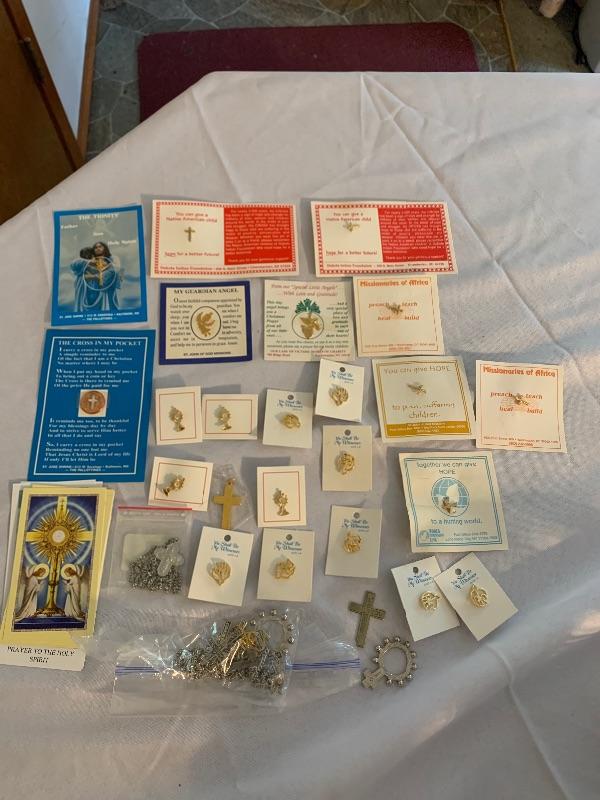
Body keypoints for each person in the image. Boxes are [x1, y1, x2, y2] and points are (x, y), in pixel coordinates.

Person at [70, 241, 123, 312]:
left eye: (100, 246)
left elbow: (116, 271)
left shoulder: (112, 259)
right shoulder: (89, 260)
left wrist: (92, 276)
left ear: (105, 248)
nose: (98, 248)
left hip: (104, 292)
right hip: (87, 292)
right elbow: (73, 265)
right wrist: (90, 263)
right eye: (95, 247)